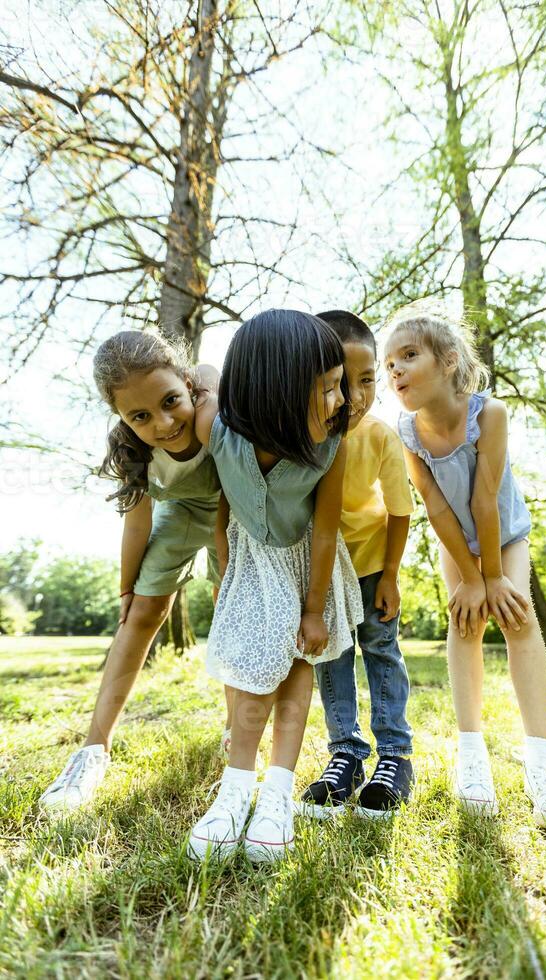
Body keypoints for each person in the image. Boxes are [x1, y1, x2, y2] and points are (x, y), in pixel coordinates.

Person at [384, 302, 546, 832]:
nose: (395, 370)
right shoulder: (407, 433)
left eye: (408, 356)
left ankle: (543, 769)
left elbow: (486, 499)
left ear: (448, 361)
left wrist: (493, 576)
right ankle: (471, 759)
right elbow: (434, 505)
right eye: (389, 364)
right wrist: (470, 579)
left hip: (504, 532)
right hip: (457, 543)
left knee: (518, 620)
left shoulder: (488, 413)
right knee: (464, 622)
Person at [187, 309, 363, 864]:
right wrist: (220, 556)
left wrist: (314, 610)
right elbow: (208, 375)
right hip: (249, 562)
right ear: (277, 394)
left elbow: (328, 526)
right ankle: (236, 789)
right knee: (244, 668)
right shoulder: (213, 426)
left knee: (294, 666)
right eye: (330, 389)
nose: (342, 402)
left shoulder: (331, 445)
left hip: (306, 564)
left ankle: (278, 793)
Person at [39, 330, 223, 813]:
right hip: (181, 511)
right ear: (120, 416)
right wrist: (128, 590)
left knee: (233, 610)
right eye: (140, 415)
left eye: (169, 402)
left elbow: (209, 377)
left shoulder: (209, 397)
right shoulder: (133, 452)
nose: (163, 423)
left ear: (186, 382)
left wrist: (208, 388)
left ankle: (236, 733)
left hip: (235, 509)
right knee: (141, 614)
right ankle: (92, 750)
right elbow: (137, 523)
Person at [298, 310, 415, 820]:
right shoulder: (302, 436)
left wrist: (390, 573)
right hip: (324, 571)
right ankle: (345, 754)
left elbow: (400, 508)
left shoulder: (380, 436)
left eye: (368, 379)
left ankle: (394, 756)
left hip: (369, 563)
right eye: (343, 381)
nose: (358, 394)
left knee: (381, 650)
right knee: (331, 658)